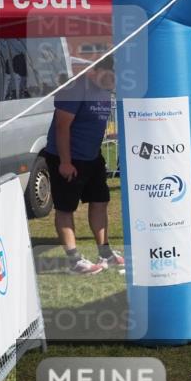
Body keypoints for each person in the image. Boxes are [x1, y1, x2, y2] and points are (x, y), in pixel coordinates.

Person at [40, 57, 124, 274]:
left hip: (92, 157)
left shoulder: (105, 90)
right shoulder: (75, 88)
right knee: (66, 208)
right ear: (96, 71)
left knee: (100, 201)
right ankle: (74, 260)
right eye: (111, 77)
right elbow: (61, 126)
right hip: (67, 157)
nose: (114, 82)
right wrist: (65, 162)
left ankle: (105, 253)